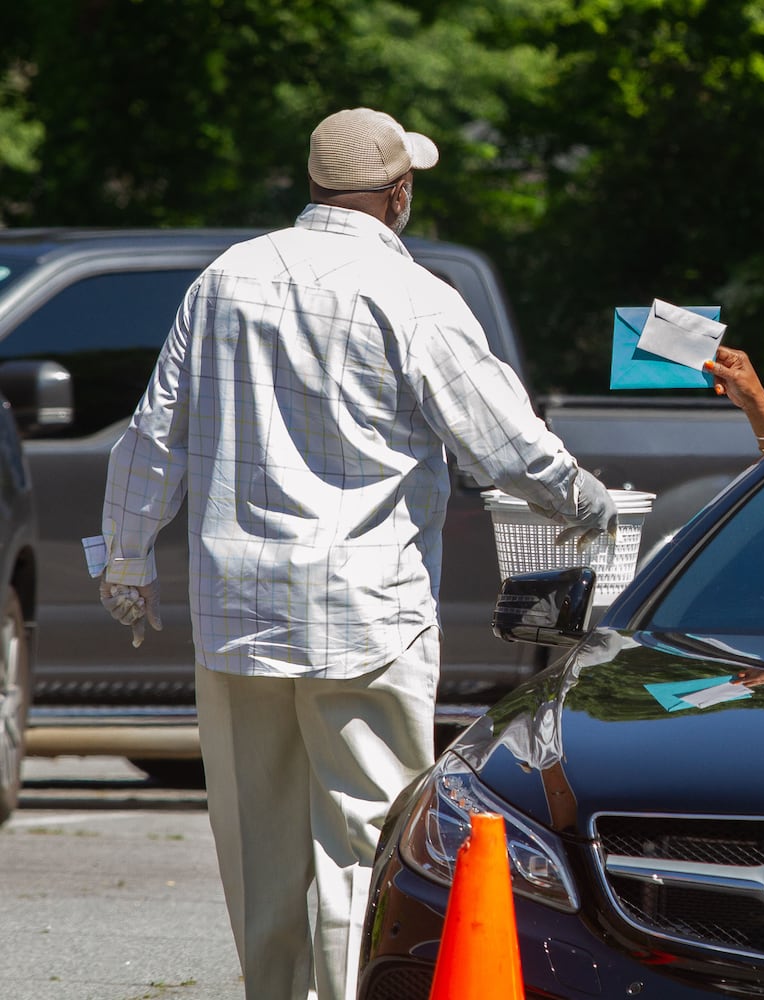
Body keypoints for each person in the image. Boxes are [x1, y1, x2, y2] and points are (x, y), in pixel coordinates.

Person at [90, 107, 617, 1000]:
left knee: (261, 850)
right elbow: (505, 446)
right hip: (367, 612)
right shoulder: (413, 294)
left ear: (314, 183)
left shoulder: (226, 277)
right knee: (369, 840)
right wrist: (587, 503)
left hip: (236, 611)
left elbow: (152, 437)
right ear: (399, 191)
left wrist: (127, 563)